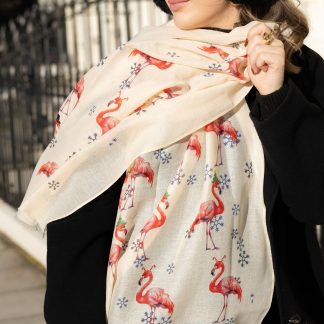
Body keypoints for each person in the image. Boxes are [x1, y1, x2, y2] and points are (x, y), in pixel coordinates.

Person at [16, 0, 324, 323]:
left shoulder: (292, 65)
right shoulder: (133, 74)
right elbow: (77, 226)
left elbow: (314, 201)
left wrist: (276, 98)